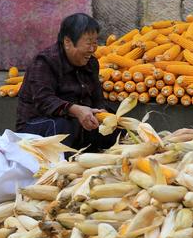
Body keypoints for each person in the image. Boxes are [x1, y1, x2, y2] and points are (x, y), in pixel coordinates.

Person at [16, 13, 117, 152]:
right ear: (68, 42)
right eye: (88, 43)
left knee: (113, 124)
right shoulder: (45, 62)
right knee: (64, 127)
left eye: (95, 43)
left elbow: (97, 99)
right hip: (40, 123)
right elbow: (44, 101)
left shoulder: (91, 63)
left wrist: (102, 113)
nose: (93, 49)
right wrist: (76, 110)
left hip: (76, 121)